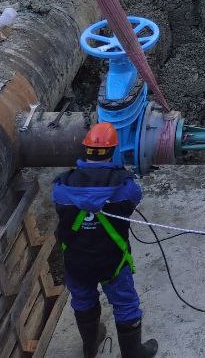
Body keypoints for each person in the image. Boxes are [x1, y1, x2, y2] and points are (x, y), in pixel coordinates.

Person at [53, 122, 158, 358]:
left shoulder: (61, 186)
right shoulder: (125, 185)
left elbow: (61, 205)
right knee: (125, 304)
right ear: (112, 151)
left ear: (86, 149)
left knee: (82, 300)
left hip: (77, 260)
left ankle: (89, 348)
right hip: (112, 261)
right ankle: (133, 353)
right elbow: (134, 199)